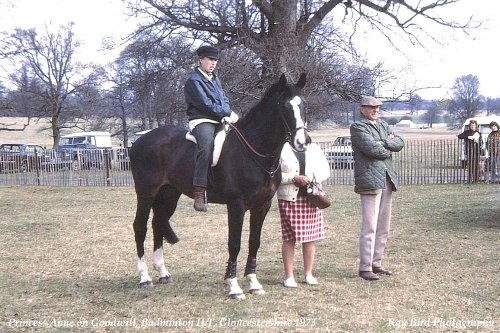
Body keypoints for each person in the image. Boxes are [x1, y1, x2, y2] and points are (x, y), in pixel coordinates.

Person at [350, 96, 405, 281]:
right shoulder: (358, 127)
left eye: (378, 107)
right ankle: (365, 267)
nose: (375, 110)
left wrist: (383, 142)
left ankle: (376, 263)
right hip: (370, 181)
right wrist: (386, 143)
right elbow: (372, 149)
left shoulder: (382, 124)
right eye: (371, 107)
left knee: (383, 226)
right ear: (362, 109)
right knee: (370, 226)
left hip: (387, 180)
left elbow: (400, 142)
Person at [184, 45, 238, 212]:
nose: (213, 63)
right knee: (206, 147)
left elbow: (224, 99)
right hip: (201, 120)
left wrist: (228, 111)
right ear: (201, 60)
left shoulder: (215, 78)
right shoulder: (194, 80)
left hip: (219, 118)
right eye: (210, 59)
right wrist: (226, 112)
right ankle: (199, 190)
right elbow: (204, 104)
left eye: (215, 60)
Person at [277, 141, 330, 287]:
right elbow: (274, 174)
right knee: (289, 238)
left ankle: (308, 274)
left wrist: (311, 178)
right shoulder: (282, 148)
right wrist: (293, 178)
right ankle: (289, 276)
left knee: (310, 237)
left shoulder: (313, 147)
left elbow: (325, 170)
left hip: (312, 197)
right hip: (289, 198)